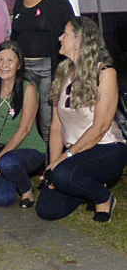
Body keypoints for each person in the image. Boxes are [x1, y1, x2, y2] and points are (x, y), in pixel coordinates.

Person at [37, 18, 127, 222]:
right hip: (75, 155)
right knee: (47, 210)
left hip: (106, 148)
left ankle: (103, 199)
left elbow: (100, 128)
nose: (60, 38)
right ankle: (83, 186)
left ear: (79, 40)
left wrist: (61, 161)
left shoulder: (105, 72)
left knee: (62, 174)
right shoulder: (62, 72)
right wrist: (52, 165)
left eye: (65, 34)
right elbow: (55, 127)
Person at [0, 41, 46, 208]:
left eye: (10, 61)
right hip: (4, 152)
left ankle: (27, 191)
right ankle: (10, 175)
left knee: (7, 162)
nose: (4, 65)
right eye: (0, 60)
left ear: (19, 65)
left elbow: (25, 129)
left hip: (30, 150)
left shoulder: (28, 89)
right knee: (1, 199)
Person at [10, 0, 75, 141]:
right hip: (24, 70)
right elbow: (16, 36)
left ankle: (51, 165)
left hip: (48, 69)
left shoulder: (56, 0)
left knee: (48, 122)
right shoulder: (18, 4)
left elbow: (72, 33)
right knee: (25, 121)